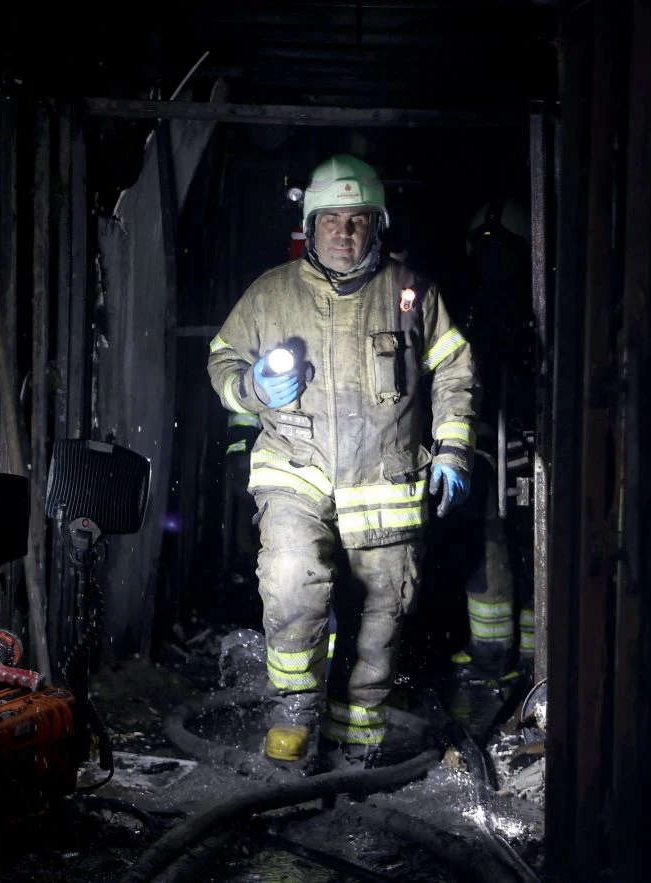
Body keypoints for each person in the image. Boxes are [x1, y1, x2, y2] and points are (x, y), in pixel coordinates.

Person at [206, 153, 480, 767]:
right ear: (311, 224)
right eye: (331, 220)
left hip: (385, 482)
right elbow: (221, 358)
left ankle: (356, 742)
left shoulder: (412, 294)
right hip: (295, 469)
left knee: (381, 614)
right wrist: (250, 387)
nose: (344, 233)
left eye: (357, 220)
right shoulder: (270, 293)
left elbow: (456, 367)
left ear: (376, 225)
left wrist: (455, 448)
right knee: (291, 579)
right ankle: (295, 711)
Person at [450, 198, 538, 684]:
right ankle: (490, 655)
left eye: (501, 251)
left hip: (530, 449)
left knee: (532, 547)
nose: (491, 262)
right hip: (486, 451)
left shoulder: (538, 307)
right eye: (483, 252)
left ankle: (534, 658)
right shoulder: (473, 309)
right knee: (485, 550)